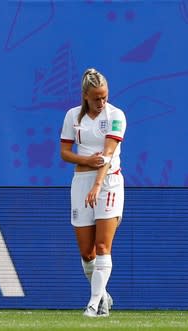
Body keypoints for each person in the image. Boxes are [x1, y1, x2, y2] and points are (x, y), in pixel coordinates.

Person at [60, 68, 127, 317]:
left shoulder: (116, 115)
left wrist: (98, 184)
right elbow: (65, 153)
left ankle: (94, 305)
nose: (101, 102)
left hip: (108, 182)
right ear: (85, 96)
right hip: (80, 182)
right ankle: (103, 295)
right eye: (96, 98)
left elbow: (108, 156)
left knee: (102, 246)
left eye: (105, 97)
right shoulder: (71, 116)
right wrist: (86, 160)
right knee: (86, 252)